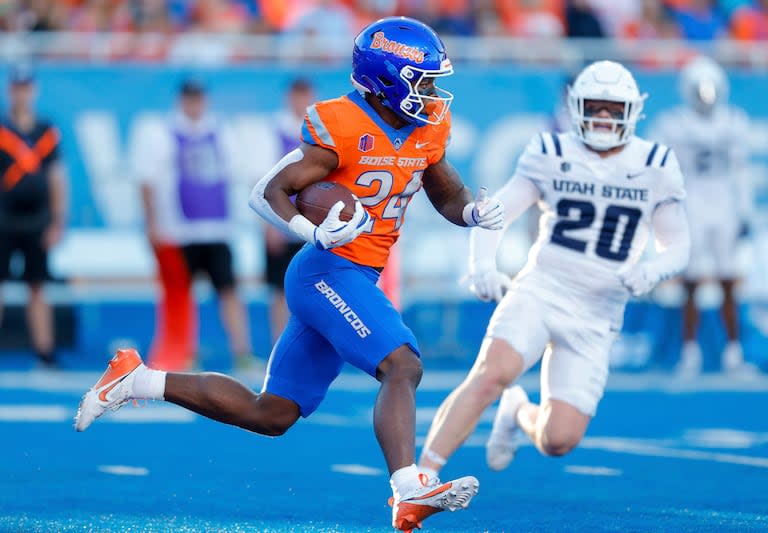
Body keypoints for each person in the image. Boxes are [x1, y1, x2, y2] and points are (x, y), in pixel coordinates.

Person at [75, 17, 503, 532]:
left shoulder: (426, 128)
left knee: (271, 413)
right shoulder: (341, 123)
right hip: (327, 269)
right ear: (389, 78)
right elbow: (266, 192)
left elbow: (444, 190)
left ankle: (136, 378)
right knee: (402, 365)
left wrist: (471, 215)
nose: (433, 93)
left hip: (356, 275)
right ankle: (408, 489)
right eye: (424, 80)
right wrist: (312, 230)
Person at [416, 60, 690, 479]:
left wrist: (653, 270)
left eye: (612, 109)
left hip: (598, 313)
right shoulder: (553, 151)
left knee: (558, 439)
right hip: (542, 289)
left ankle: (518, 411)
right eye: (595, 106)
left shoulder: (654, 163)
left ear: (632, 112)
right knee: (491, 374)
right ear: (576, 105)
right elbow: (497, 213)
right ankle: (420, 479)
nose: (602, 116)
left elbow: (677, 244)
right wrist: (482, 265)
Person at [132, 78, 254, 372]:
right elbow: (147, 181)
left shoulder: (221, 131)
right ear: (181, 100)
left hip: (216, 228)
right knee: (179, 293)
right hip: (178, 230)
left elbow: (237, 174)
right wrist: (152, 223)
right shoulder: (162, 131)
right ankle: (183, 351)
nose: (195, 104)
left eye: (199, 97)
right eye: (190, 98)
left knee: (228, 290)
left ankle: (242, 352)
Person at [649, 56, 757, 377]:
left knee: (728, 276)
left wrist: (745, 210)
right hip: (692, 199)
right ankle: (689, 350)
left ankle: (734, 351)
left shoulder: (733, 121)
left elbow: (741, 170)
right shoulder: (674, 123)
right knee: (692, 278)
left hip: (723, 201)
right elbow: (659, 167)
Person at [0, 64, 66, 367]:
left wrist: (57, 221)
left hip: (37, 220)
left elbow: (57, 177)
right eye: (18, 87)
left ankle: (45, 351)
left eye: (27, 87)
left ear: (33, 90)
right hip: (3, 219)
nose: (22, 93)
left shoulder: (46, 131)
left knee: (38, 286)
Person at [263, 78, 315, 346]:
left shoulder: (320, 129)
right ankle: (280, 343)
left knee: (314, 288)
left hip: (314, 221)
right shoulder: (275, 131)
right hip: (284, 220)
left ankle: (309, 346)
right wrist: (270, 225)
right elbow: (263, 181)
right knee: (280, 290)